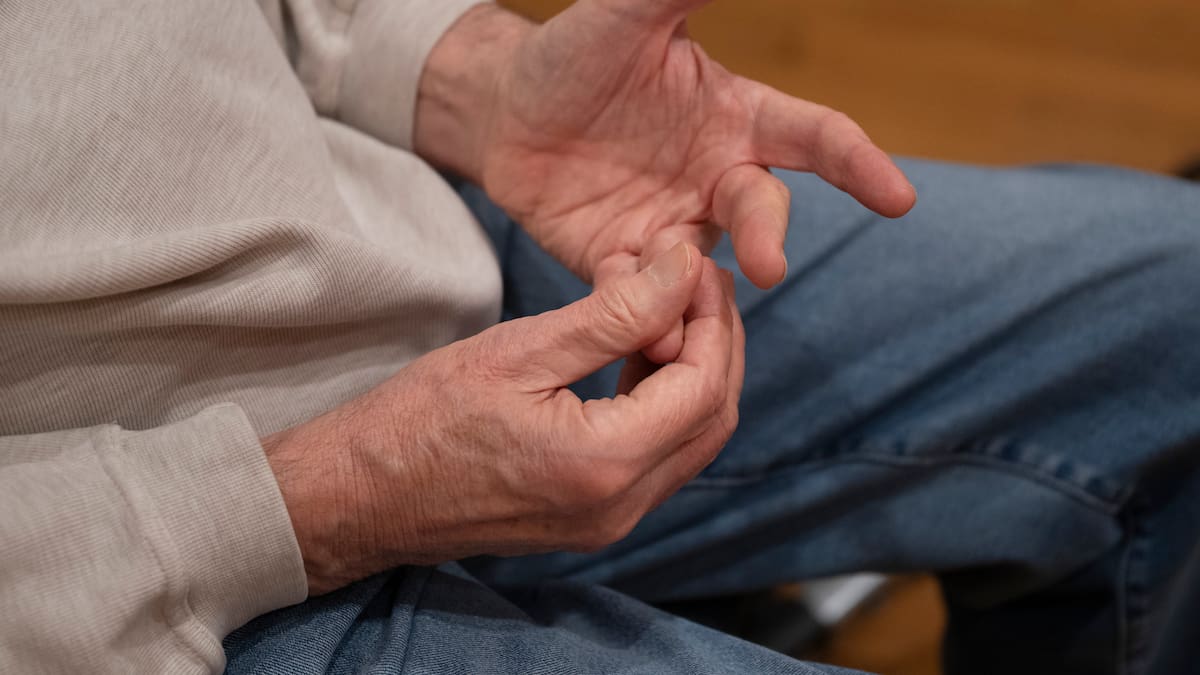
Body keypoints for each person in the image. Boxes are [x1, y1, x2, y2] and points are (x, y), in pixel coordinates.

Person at [1, 1, 1197, 673]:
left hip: (413, 232)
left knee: (1176, 307)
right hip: (137, 600)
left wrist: (480, 79)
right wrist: (333, 499)